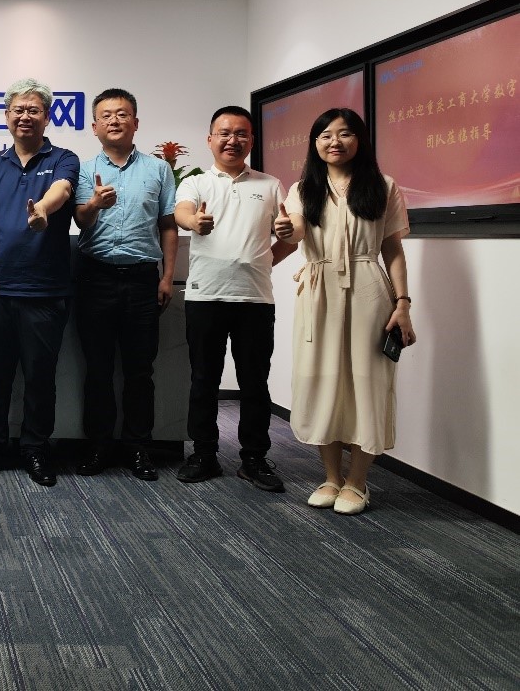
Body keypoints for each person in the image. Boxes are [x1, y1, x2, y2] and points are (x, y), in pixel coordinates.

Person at [275, 108, 416, 515]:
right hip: (318, 290)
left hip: (369, 290)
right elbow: (296, 228)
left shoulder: (383, 186)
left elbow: (393, 250)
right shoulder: (303, 188)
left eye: (344, 133)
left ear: (360, 140)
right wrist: (286, 231)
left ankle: (358, 481)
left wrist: (403, 303)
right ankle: (331, 477)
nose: (334, 141)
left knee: (367, 383)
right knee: (321, 381)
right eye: (325, 135)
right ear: (314, 143)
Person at [174, 106, 297, 492]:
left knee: (255, 383)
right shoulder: (196, 183)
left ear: (252, 140)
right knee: (203, 380)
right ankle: (204, 455)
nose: (232, 140)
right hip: (205, 296)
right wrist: (194, 222)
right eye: (224, 133)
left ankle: (254, 459)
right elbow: (182, 212)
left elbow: (290, 237)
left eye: (241, 133)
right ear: (210, 139)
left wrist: (273, 247)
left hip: (255, 299)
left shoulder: (270, 184)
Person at [0, 80, 78, 486]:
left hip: (45, 291)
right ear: (7, 116)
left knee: (40, 378)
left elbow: (62, 189)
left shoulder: (64, 158)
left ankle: (35, 448)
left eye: (34, 110)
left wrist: (43, 211)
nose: (25, 116)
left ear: (47, 117)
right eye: (18, 110)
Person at [73, 88, 178, 481]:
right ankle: (98, 446)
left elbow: (168, 226)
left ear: (136, 122)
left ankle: (138, 447)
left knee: (139, 371)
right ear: (94, 126)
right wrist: (94, 205)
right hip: (95, 277)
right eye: (106, 115)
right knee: (97, 369)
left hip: (141, 280)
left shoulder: (158, 170)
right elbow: (80, 221)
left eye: (122, 114)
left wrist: (166, 277)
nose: (114, 120)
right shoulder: (84, 169)